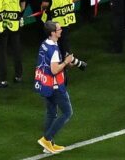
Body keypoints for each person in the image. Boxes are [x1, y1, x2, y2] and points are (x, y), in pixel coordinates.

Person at [33, 22, 78, 154]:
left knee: (51, 113)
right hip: (55, 86)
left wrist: (63, 62)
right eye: (58, 29)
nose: (61, 30)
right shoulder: (53, 49)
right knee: (67, 112)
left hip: (45, 84)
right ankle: (47, 139)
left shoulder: (45, 44)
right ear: (52, 33)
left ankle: (48, 145)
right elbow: (54, 70)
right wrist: (65, 62)